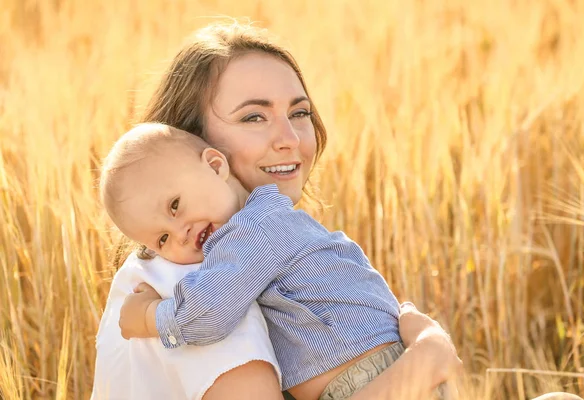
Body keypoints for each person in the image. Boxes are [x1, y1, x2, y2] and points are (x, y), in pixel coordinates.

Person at [93, 21, 463, 400]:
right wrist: (427, 357)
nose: (290, 140)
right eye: (253, 117)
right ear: (203, 144)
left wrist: (428, 357)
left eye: (299, 113)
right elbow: (206, 315)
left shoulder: (254, 233)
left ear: (214, 164)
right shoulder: (175, 274)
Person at [100, 122, 409, 399]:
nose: (180, 234)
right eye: (162, 239)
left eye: (175, 206)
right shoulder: (257, 227)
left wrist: (150, 317)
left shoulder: (255, 229)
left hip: (368, 377)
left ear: (215, 165)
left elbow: (211, 311)